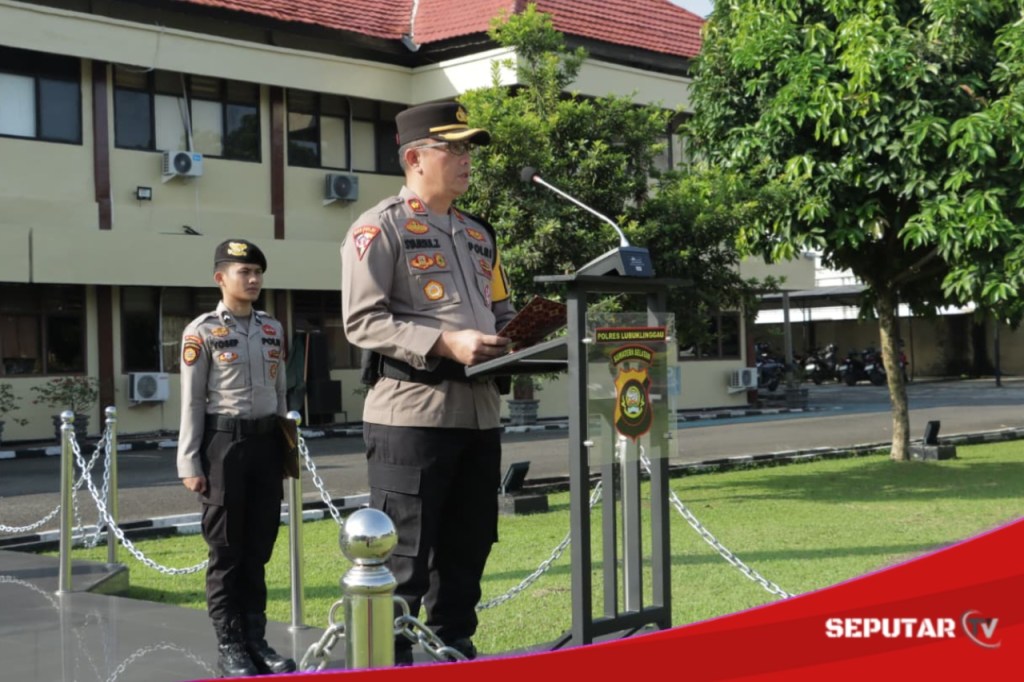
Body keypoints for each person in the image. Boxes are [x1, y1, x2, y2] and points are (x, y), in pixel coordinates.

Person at [340, 101, 515, 664]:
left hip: (480, 412)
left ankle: (454, 651)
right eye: (455, 148)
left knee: (468, 549)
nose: (467, 160)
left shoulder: (479, 234)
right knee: (404, 557)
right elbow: (361, 320)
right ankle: (388, 661)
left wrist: (524, 334)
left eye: (469, 149)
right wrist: (446, 343)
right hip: (412, 416)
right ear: (415, 158)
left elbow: (499, 313)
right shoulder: (378, 227)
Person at [177, 239, 296, 677]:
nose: (253, 279)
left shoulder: (272, 329)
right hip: (222, 447)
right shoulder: (202, 331)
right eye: (243, 271)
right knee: (226, 552)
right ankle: (229, 647)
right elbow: (191, 401)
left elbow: (282, 392)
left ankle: (255, 641)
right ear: (220, 278)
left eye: (257, 272)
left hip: (266, 447)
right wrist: (189, 463)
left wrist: (287, 451)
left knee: (258, 550)